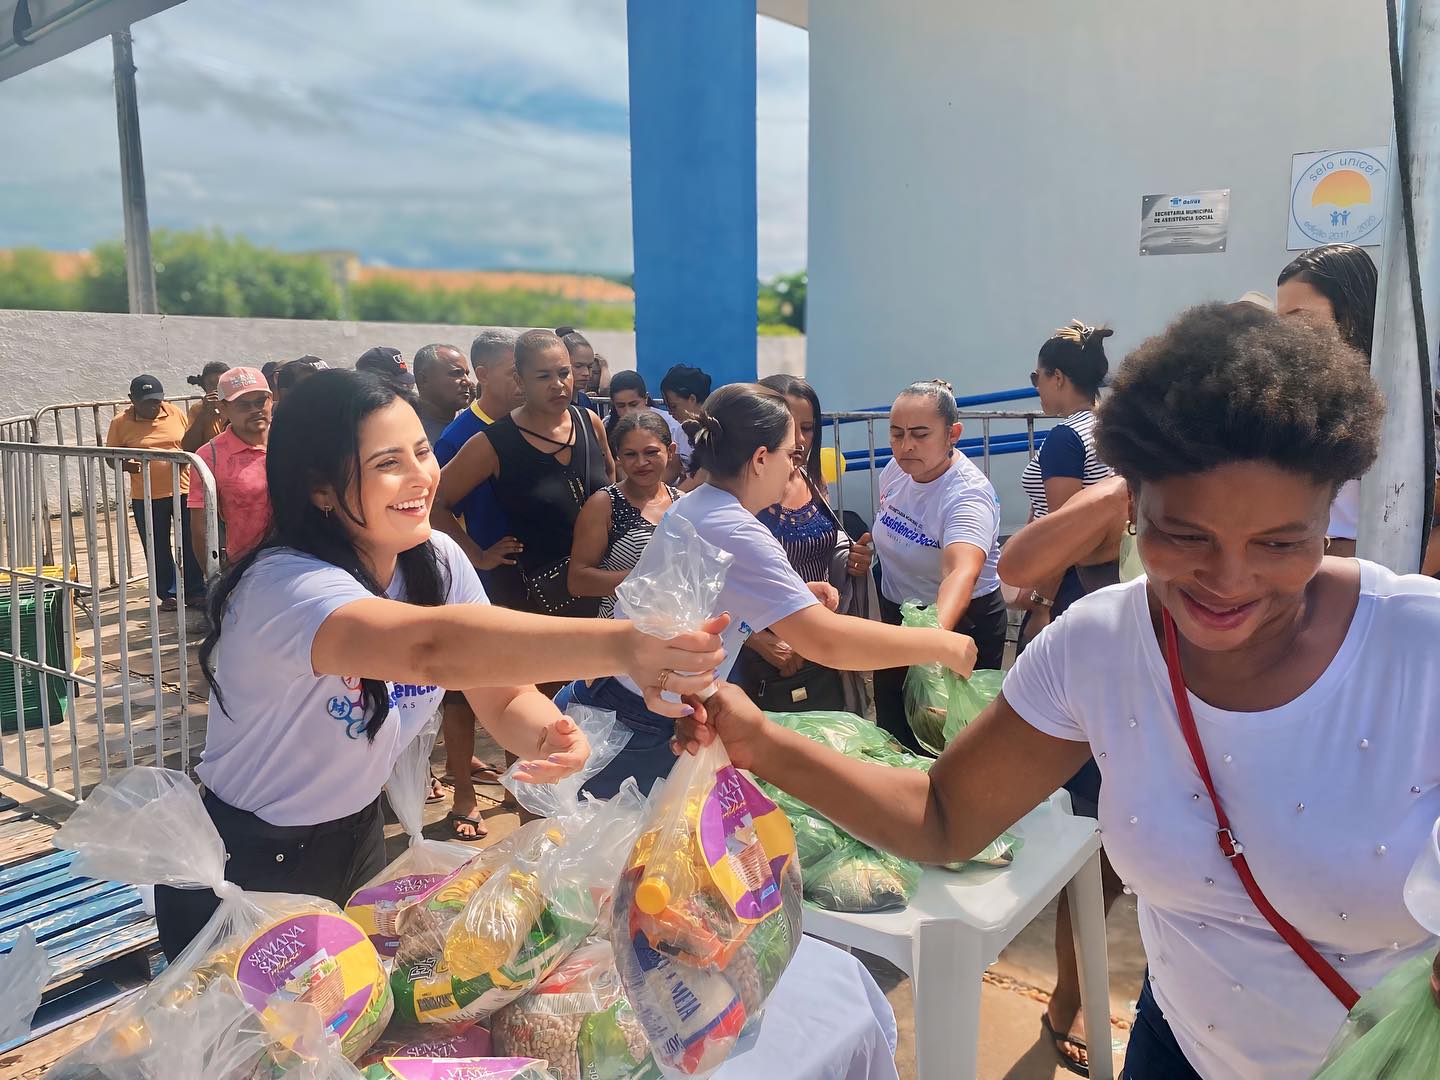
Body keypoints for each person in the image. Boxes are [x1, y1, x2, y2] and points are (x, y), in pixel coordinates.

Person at [679, 302, 1440, 1080]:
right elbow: (943, 817)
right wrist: (762, 744)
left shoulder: (1419, 645)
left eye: (1281, 543)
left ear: (1330, 515)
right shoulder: (1098, 647)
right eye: (1186, 535)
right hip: (1177, 1046)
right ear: (1131, 508)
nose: (1231, 580)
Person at [153, 369, 728, 960]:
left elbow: (499, 693)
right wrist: (625, 645)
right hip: (247, 864)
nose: (421, 477)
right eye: (386, 463)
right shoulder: (284, 589)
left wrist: (545, 735)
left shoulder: (434, 558)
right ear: (321, 488)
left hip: (358, 840)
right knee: (252, 1047)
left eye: (422, 452)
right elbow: (434, 652)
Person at [556, 382, 978, 798]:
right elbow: (826, 642)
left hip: (620, 704)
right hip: (640, 725)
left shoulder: (698, 502)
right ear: (761, 458)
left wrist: (794, 594)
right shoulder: (735, 528)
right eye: (791, 454)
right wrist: (938, 644)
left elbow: (706, 598)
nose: (796, 467)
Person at [433, 329, 614, 617]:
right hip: (534, 600)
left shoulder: (589, 421)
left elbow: (610, 483)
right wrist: (478, 556)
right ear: (520, 380)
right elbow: (434, 502)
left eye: (564, 372)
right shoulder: (492, 443)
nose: (558, 384)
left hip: (602, 589)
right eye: (543, 376)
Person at [871, 381, 1005, 752]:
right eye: (896, 434)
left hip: (957, 622)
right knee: (894, 730)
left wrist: (932, 640)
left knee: (949, 742)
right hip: (900, 615)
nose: (905, 446)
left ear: (953, 434)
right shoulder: (897, 471)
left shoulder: (966, 497)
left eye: (920, 434)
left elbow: (960, 571)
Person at [732, 374, 874, 714]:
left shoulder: (812, 478)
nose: (798, 440)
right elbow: (714, 582)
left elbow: (818, 549)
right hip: (760, 660)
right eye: (787, 426)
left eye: (807, 428)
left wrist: (851, 559)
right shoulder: (738, 490)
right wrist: (756, 639)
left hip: (818, 647)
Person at [1276, 244, 1379, 558]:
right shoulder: (1289, 398)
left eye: (1301, 318)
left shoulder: (1408, 402)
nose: (1288, 335)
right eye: (1281, 321)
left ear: (1351, 312)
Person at [1017, 321, 1116, 642]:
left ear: (1057, 377)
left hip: (1069, 584)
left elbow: (1066, 534)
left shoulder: (1066, 437)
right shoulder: (1109, 426)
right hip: (1106, 572)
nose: (1036, 387)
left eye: (1037, 377)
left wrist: (1043, 604)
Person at [106, 374, 207, 611]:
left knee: (191, 540)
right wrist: (126, 465)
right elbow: (112, 456)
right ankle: (168, 592)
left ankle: (194, 590)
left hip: (182, 489)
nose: (154, 406)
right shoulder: (120, 423)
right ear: (132, 399)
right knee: (157, 545)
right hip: (146, 495)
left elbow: (188, 443)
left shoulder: (174, 413)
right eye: (147, 402)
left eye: (156, 401)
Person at [568, 410, 680, 618]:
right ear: (618, 457)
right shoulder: (604, 505)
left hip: (673, 628)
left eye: (651, 452)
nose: (641, 463)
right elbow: (577, 581)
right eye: (630, 454)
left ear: (671, 451)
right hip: (620, 633)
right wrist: (646, 580)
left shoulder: (682, 502)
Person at [189, 367, 273, 567]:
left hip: (303, 560)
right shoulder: (211, 456)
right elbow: (201, 525)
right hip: (248, 566)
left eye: (260, 401)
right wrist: (213, 579)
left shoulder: (292, 440)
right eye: (243, 405)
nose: (255, 410)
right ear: (223, 408)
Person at [605, 370, 686, 483]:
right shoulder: (607, 425)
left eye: (634, 404)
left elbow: (674, 467)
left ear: (646, 398)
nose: (628, 411)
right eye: (620, 406)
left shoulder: (670, 423)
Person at [413, 343, 473, 446]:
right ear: (424, 380)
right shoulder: (408, 432)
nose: (467, 382)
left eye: (466, 374)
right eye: (456, 373)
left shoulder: (472, 424)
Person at [182, 361, 231, 453]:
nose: (216, 389)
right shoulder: (198, 409)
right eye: (211, 384)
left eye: (221, 384)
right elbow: (188, 448)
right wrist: (204, 414)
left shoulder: (238, 405)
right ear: (204, 386)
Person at [555, 328, 601, 414]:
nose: (586, 373)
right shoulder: (553, 403)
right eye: (578, 366)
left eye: (590, 366)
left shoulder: (585, 400)